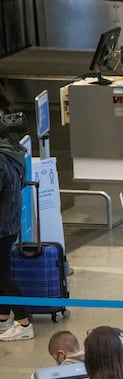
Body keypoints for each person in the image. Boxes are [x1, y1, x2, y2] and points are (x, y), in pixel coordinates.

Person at [0, 87, 33, 342]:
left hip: (1, 224)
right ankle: (2, 316)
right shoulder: (11, 144)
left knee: (3, 274)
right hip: (9, 221)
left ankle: (23, 323)